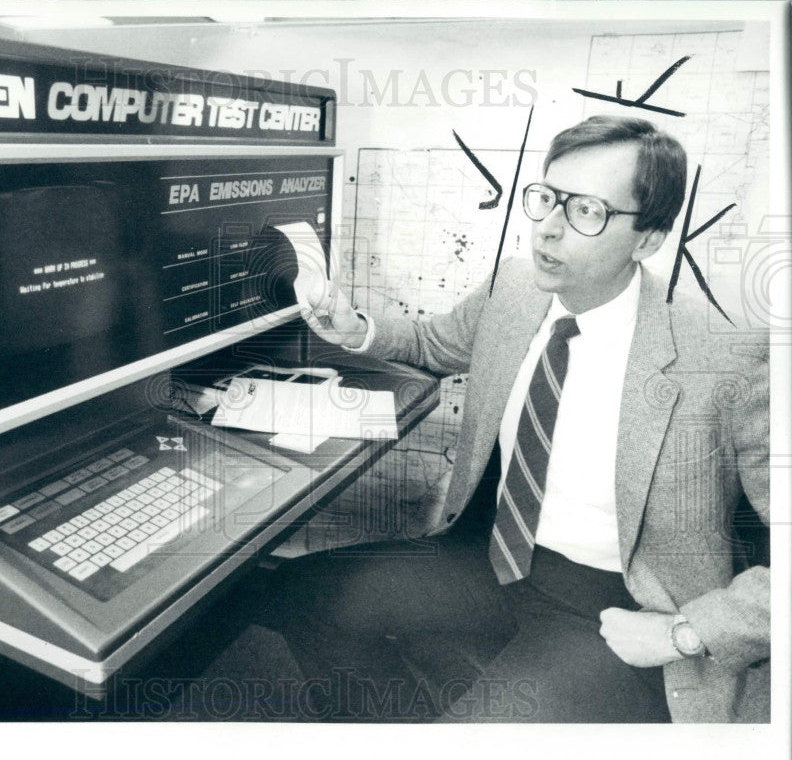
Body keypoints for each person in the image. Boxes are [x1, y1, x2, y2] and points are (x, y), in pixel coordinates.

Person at [240, 114, 769, 724]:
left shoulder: (725, 358)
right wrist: (356, 329)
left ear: (646, 238)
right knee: (305, 596)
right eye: (546, 199)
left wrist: (684, 632)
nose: (546, 229)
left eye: (586, 211)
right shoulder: (513, 290)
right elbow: (432, 345)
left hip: (617, 601)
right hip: (496, 558)